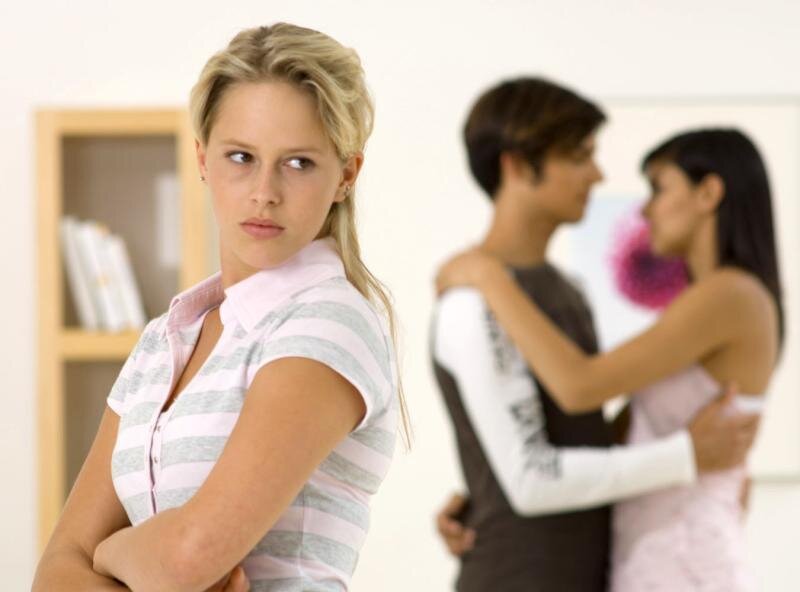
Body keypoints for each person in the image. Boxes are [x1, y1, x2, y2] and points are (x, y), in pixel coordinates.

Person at [32, 22, 407, 592]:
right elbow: (54, 571)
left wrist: (107, 552)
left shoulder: (329, 323)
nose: (264, 192)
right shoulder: (164, 339)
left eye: (298, 163)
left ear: (346, 176)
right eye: (241, 157)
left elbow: (186, 559)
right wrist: (137, 561)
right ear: (203, 159)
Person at [431, 78, 760, 591]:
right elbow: (531, 480)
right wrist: (686, 456)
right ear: (516, 166)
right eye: (579, 156)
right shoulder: (469, 302)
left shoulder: (571, 292)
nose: (598, 173)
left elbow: (579, 440)